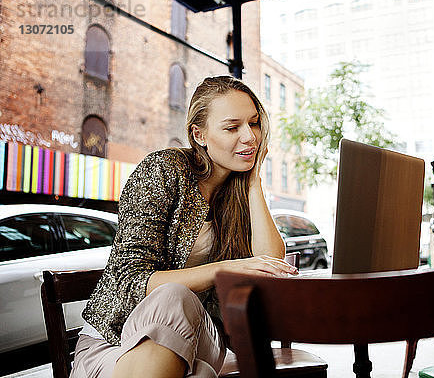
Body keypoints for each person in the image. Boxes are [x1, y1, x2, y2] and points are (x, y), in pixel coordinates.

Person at [70, 76, 299, 378]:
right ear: (199, 134)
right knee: (188, 342)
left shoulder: (240, 192)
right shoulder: (164, 170)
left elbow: (271, 267)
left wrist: (254, 183)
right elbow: (131, 282)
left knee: (175, 300)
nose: (250, 137)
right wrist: (225, 270)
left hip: (200, 336)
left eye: (254, 123)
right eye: (232, 127)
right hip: (115, 342)